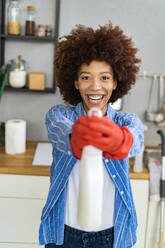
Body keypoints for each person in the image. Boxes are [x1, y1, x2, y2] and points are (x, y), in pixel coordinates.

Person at [39, 22, 143, 248]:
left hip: (111, 236)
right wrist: (75, 137)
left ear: (116, 82)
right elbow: (58, 129)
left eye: (105, 78)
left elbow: (136, 138)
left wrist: (121, 140)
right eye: (86, 77)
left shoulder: (126, 122)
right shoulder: (60, 116)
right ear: (75, 82)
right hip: (64, 234)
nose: (95, 86)